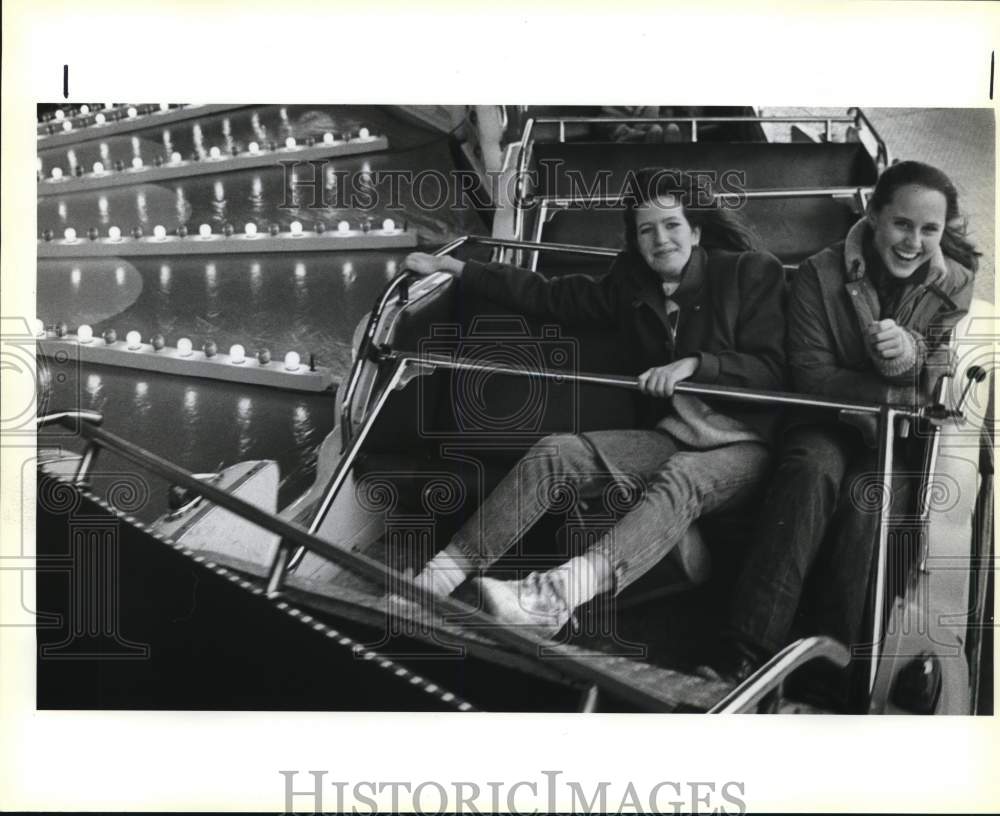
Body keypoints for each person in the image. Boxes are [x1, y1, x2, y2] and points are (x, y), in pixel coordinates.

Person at [401, 168, 786, 637]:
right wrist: (455, 268)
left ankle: (554, 597)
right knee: (556, 453)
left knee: (683, 477)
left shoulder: (750, 272)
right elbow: (549, 296)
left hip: (748, 446)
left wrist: (694, 365)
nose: (661, 239)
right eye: (647, 230)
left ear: (697, 231)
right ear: (636, 241)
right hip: (675, 437)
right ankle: (431, 584)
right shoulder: (632, 286)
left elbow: (773, 369)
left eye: (672, 225)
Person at [704, 160, 979, 698]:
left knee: (865, 502)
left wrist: (916, 353)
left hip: (895, 435)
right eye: (902, 224)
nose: (913, 242)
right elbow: (812, 376)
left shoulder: (955, 285)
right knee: (810, 473)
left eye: (930, 231)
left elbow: (938, 379)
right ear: (873, 217)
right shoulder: (819, 272)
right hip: (823, 419)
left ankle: (832, 669)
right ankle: (745, 651)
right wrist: (903, 385)